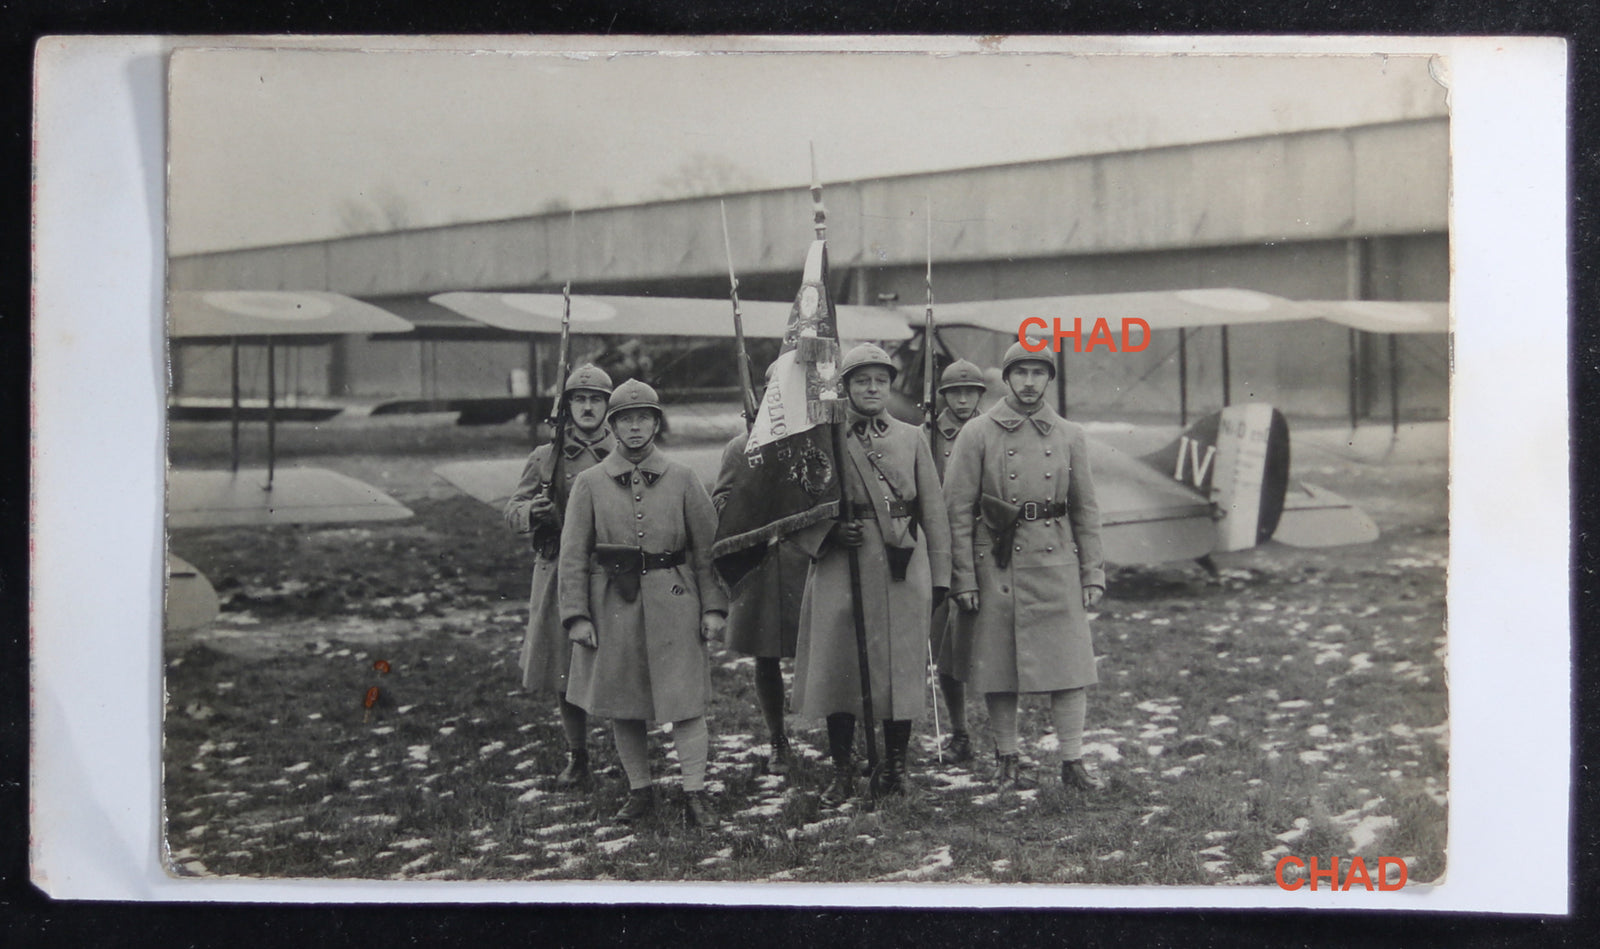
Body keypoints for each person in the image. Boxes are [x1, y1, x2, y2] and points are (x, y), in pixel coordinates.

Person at [558, 379, 729, 829]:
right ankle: (640, 791)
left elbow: (707, 550)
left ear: (657, 423)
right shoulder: (590, 483)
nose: (635, 428)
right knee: (624, 701)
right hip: (614, 603)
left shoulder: (685, 478)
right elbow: (573, 554)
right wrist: (576, 615)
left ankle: (695, 792)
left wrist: (713, 607)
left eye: (644, 418)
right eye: (625, 420)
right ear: (612, 427)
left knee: (686, 700)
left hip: (676, 600)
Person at [943, 340, 1107, 795]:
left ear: (1049, 379)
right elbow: (955, 510)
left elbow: (1085, 510)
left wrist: (1092, 571)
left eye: (1039, 373)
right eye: (1021, 373)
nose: (1030, 382)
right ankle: (1007, 758)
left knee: (1070, 664)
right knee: (999, 664)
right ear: (1007, 378)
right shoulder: (978, 432)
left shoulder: (1070, 434)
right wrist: (963, 577)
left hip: (1056, 557)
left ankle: (1072, 761)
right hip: (995, 558)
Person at [791, 343, 951, 806]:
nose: (873, 388)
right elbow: (800, 507)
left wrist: (940, 574)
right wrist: (830, 533)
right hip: (843, 562)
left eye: (881, 380)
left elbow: (933, 510)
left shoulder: (911, 437)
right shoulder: (824, 439)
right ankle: (842, 770)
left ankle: (895, 769)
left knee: (900, 668)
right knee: (839, 668)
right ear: (844, 388)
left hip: (901, 561)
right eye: (862, 380)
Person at [503, 364, 615, 790]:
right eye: (579, 400)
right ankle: (578, 755)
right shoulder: (545, 457)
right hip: (557, 571)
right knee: (563, 668)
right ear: (566, 406)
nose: (587, 408)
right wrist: (534, 511)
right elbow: (511, 512)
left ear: (608, 406)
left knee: (618, 662)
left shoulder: (624, 449)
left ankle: (629, 754)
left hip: (609, 571)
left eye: (596, 400)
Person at [711, 371, 808, 775]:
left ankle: (839, 734)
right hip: (763, 565)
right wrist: (746, 498)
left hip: (808, 560)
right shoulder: (739, 448)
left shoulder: (814, 441)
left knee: (824, 651)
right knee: (765, 656)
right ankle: (778, 739)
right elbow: (719, 501)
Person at [928, 358, 988, 763]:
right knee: (946, 646)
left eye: (971, 392)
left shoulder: (994, 431)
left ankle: (1006, 739)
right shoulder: (925, 437)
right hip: (941, 548)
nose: (963, 399)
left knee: (995, 643)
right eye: (955, 392)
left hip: (989, 546)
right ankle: (959, 731)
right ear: (943, 396)